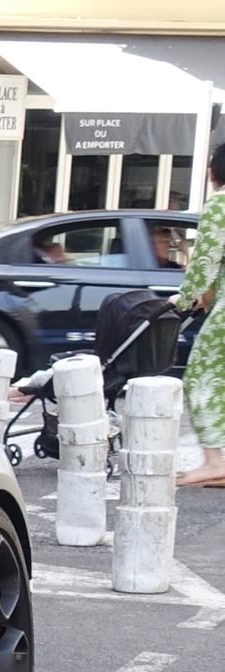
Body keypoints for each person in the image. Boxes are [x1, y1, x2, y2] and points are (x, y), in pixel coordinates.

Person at [176, 145, 225, 488]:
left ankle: (215, 461)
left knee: (200, 375)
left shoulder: (220, 204)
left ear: (212, 172)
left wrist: (184, 297)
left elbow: (206, 259)